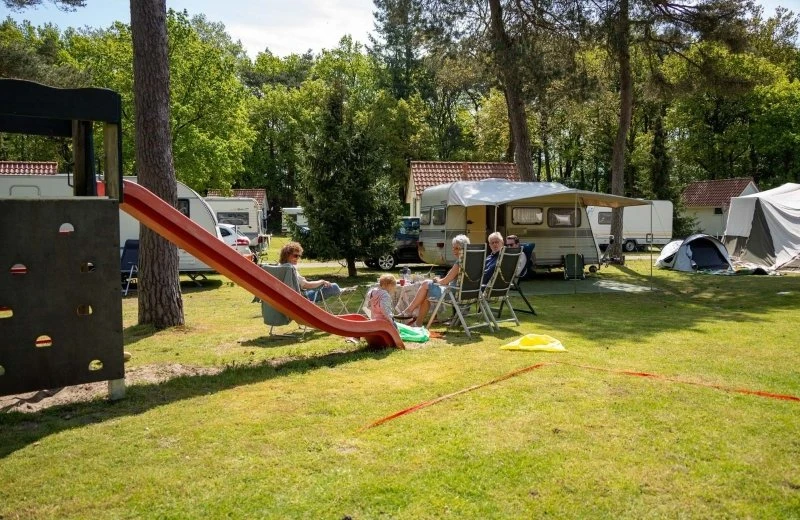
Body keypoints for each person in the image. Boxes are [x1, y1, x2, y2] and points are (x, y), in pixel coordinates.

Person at [400, 234, 470, 326]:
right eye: (453, 248)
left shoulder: (460, 262)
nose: (454, 251)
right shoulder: (472, 260)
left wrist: (437, 280)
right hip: (469, 294)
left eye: (457, 248)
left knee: (425, 283)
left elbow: (445, 281)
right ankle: (417, 323)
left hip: (453, 294)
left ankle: (409, 312)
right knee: (426, 294)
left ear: (464, 248)